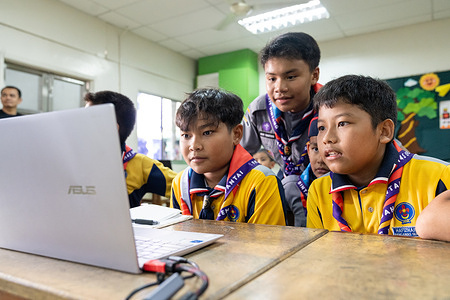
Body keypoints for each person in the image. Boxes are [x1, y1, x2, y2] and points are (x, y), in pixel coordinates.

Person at [307, 75, 450, 239]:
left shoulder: (439, 177)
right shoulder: (319, 190)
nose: (326, 138)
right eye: (322, 127)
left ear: (384, 131)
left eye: (342, 123)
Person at [170, 88, 288, 225]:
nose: (194, 145)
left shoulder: (261, 182)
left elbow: (266, 244)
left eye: (207, 133)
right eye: (186, 135)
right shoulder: (181, 183)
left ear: (236, 134)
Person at [240, 32, 322, 177]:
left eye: (290, 77)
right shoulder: (258, 110)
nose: (279, 88)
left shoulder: (331, 108)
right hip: (285, 179)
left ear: (314, 76)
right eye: (272, 78)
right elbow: (240, 156)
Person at [84, 91, 177, 208]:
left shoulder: (140, 165)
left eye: (86, 119)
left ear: (111, 127)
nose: (80, 124)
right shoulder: (70, 160)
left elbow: (185, 188)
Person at [283, 114, 330, 227]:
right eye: (316, 149)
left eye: (327, 149)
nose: (320, 160)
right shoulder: (291, 187)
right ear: (308, 150)